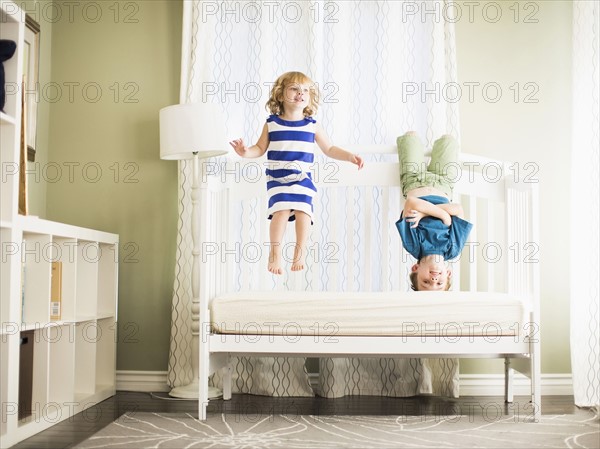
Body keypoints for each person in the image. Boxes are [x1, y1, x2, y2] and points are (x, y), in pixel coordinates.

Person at [230, 71, 364, 274]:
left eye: (306, 91)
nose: (300, 93)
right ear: (281, 94)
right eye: (294, 89)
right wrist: (245, 152)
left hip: (302, 179)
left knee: (304, 212)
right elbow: (259, 148)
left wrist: (349, 156)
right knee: (281, 211)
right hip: (278, 178)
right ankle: (275, 253)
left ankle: (300, 250)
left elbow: (329, 149)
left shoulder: (312, 125)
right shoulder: (272, 123)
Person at [395, 131, 473, 291]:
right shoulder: (453, 248)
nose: (434, 279)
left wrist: (444, 216)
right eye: (439, 283)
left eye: (426, 282)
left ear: (415, 270)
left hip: (414, 180)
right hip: (443, 183)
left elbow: (410, 202)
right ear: (448, 274)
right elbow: (457, 208)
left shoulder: (413, 245)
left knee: (411, 137)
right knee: (449, 140)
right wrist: (437, 214)